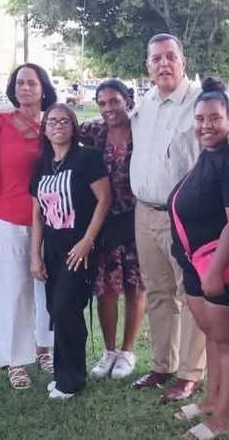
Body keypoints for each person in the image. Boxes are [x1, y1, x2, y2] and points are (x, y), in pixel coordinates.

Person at [168, 77, 229, 439]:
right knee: (213, 338)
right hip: (195, 263)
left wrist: (215, 273)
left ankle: (226, 415)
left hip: (217, 267)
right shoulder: (211, 154)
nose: (206, 125)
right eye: (200, 118)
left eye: (215, 118)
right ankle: (213, 400)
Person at [129, 33, 207, 403]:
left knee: (190, 295)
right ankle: (163, 364)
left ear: (183, 62)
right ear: (148, 66)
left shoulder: (200, 102)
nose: (163, 64)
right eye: (156, 58)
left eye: (170, 57)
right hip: (144, 212)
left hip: (184, 217)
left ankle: (190, 372)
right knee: (158, 293)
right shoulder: (145, 102)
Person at [0, 63, 57, 390]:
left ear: (43, 88)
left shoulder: (53, 124)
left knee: (47, 288)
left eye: (32, 83)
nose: (25, 88)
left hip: (51, 220)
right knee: (13, 291)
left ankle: (44, 348)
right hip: (8, 219)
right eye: (20, 83)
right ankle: (15, 359)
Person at [29, 103, 111, 399]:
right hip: (52, 247)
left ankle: (71, 380)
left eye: (65, 121)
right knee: (56, 309)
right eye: (52, 121)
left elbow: (104, 199)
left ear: (74, 126)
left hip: (79, 247)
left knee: (67, 308)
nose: (58, 126)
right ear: (44, 128)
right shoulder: (42, 164)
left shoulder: (88, 158)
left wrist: (88, 240)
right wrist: (35, 255)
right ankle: (63, 373)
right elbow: (36, 214)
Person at [78, 79, 146, 380]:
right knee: (105, 288)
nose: (109, 108)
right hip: (104, 220)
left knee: (135, 286)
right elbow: (60, 126)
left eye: (114, 101)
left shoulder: (143, 130)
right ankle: (108, 351)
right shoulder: (94, 131)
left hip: (137, 218)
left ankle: (127, 351)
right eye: (102, 103)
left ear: (128, 100)